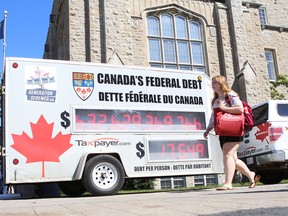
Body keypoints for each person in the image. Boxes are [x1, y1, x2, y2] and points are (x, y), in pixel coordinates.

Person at [203, 75, 260, 190]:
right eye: (212, 82)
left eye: (215, 82)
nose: (212, 84)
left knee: (227, 155)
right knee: (233, 158)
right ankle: (251, 175)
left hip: (234, 129)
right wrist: (208, 129)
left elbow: (239, 109)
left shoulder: (231, 94)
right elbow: (214, 117)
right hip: (223, 131)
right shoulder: (215, 99)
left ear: (221, 83)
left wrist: (223, 108)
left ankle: (228, 183)